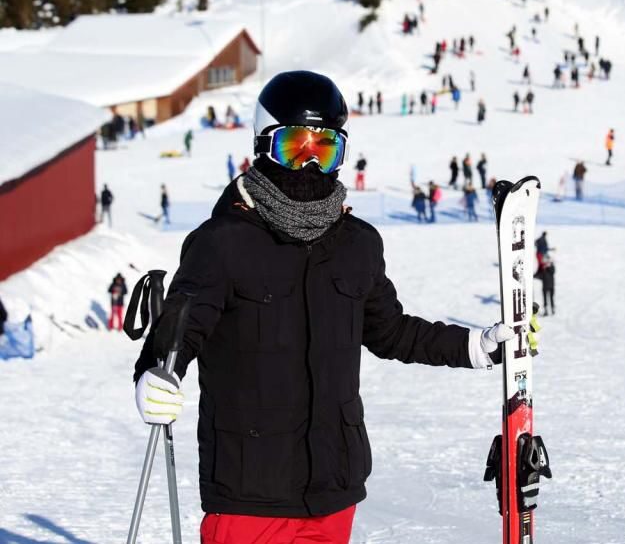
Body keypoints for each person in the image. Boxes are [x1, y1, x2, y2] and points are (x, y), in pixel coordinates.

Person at [131, 71, 514, 544]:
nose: (310, 163)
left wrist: (473, 345)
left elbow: (391, 331)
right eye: (296, 147)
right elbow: (179, 334)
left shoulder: (356, 244)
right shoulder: (221, 243)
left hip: (334, 484)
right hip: (251, 492)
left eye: (325, 148)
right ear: (263, 144)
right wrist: (154, 373)